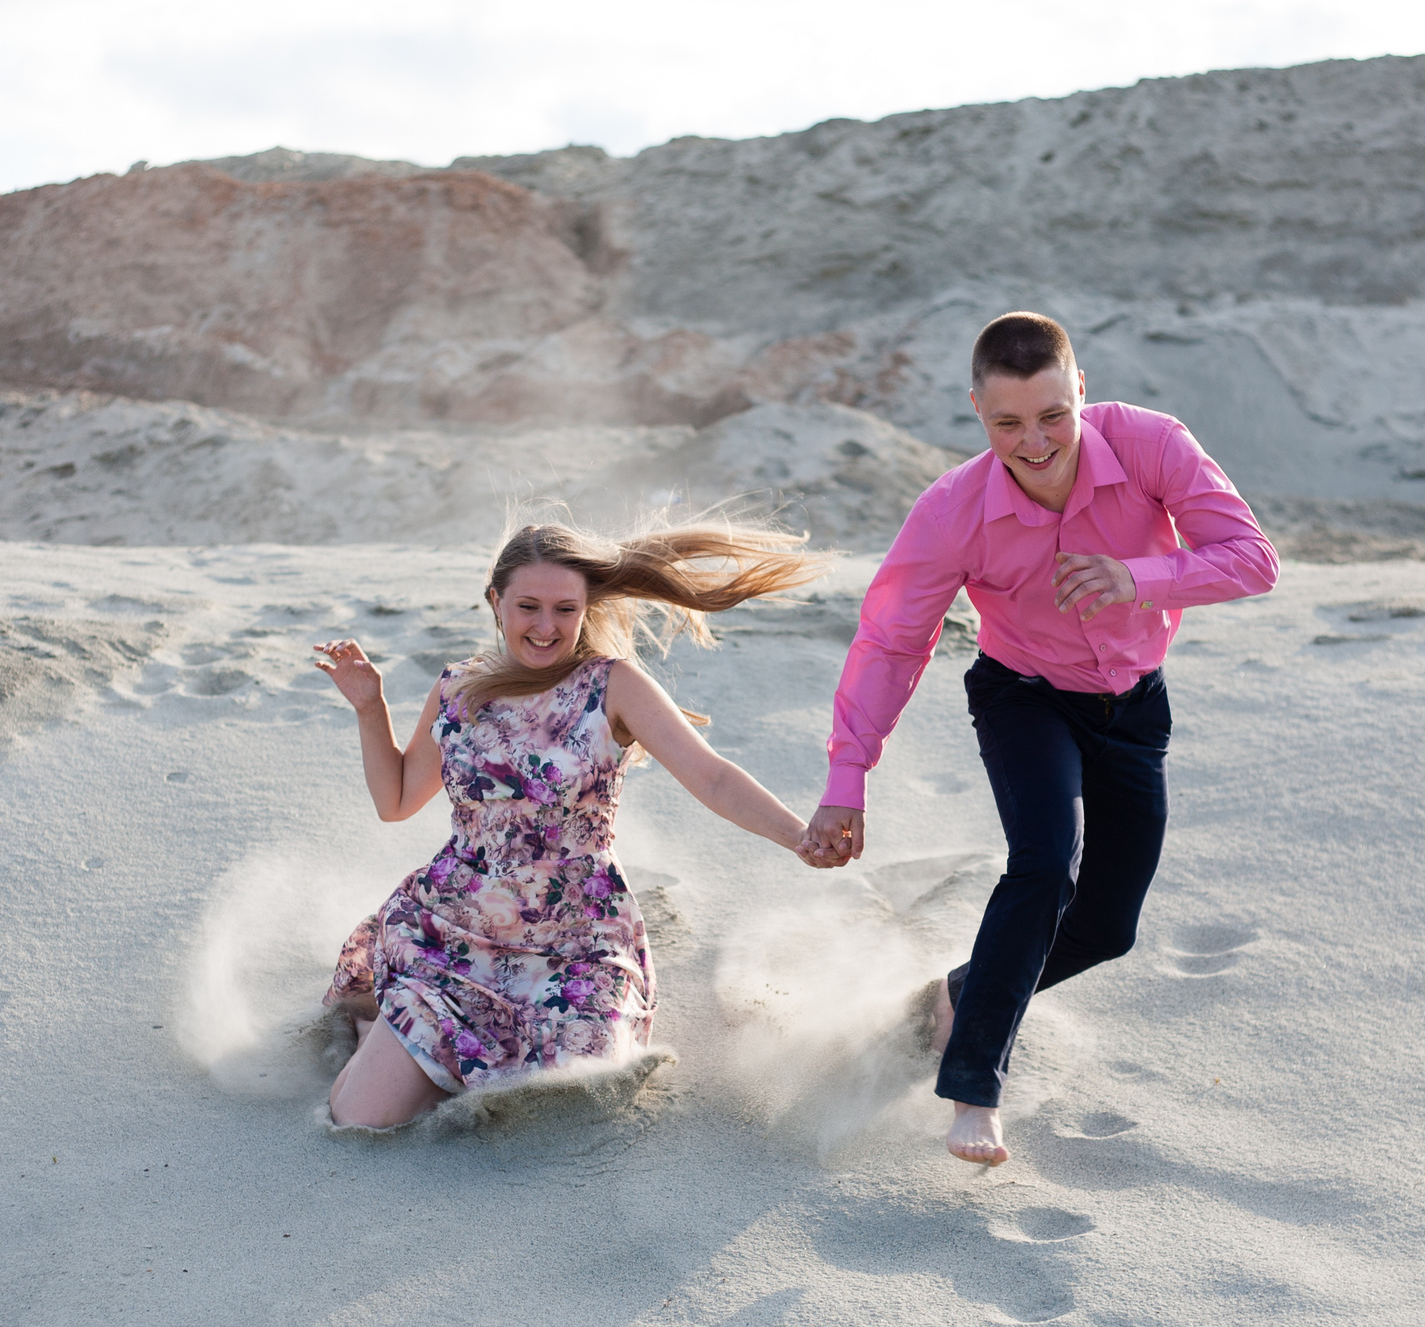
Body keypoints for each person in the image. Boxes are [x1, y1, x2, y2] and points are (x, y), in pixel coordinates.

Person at [799, 311, 1279, 1166]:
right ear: (977, 410)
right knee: (1044, 862)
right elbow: (890, 642)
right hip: (1024, 697)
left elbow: (1250, 557)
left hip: (1134, 705)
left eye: (1053, 415)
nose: (1035, 440)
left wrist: (1138, 577)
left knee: (1106, 926)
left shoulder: (1149, 444)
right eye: (1008, 422)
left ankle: (957, 998)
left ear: (1080, 390)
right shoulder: (952, 510)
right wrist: (847, 776)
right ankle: (974, 1086)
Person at [315, 521, 832, 1129]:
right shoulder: (458, 688)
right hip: (453, 936)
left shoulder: (611, 686)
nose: (546, 626)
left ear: (586, 610)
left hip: (577, 948)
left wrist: (799, 835)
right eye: (528, 606)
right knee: (361, 1121)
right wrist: (371, 707)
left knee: (574, 1109)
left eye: (566, 609)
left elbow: (712, 777)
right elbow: (397, 800)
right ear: (495, 603)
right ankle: (388, 1027)